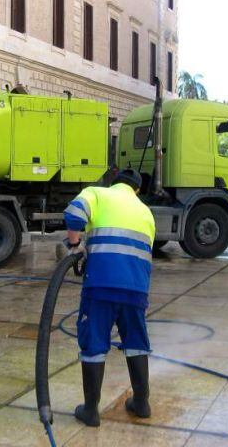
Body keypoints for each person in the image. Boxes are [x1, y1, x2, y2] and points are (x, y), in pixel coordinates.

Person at [62, 169, 156, 427]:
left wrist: (74, 245)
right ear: (136, 190)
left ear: (113, 183)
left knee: (94, 343)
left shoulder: (97, 193)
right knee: (136, 341)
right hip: (136, 289)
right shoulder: (146, 212)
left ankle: (91, 410)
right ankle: (142, 402)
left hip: (101, 286)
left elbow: (73, 214)